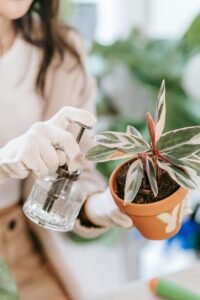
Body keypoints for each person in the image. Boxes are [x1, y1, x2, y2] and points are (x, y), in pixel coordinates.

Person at [0, 1, 133, 299]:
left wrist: (97, 207)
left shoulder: (60, 52)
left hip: (21, 243)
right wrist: (5, 163)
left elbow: (76, 168)